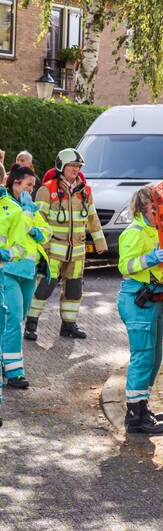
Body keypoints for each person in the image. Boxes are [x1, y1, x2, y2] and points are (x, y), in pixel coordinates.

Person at [26, 148, 107, 341]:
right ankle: (31, 324)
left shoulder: (85, 191)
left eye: (78, 166)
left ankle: (68, 325)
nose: (76, 169)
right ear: (62, 166)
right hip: (53, 250)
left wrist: (100, 242)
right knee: (43, 289)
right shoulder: (47, 189)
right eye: (72, 166)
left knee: (74, 290)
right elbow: (39, 220)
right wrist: (43, 247)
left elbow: (93, 218)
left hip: (77, 252)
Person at [116, 186, 163, 435]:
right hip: (137, 299)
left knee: (154, 357)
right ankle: (134, 416)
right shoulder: (135, 232)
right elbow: (124, 265)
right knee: (142, 356)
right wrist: (149, 259)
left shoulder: (155, 230)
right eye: (154, 209)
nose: (158, 214)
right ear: (143, 208)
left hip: (152, 299)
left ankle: (142, 406)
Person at [1, 166, 50, 390]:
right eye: (29, 185)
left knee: (16, 320)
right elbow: (15, 232)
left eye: (33, 185)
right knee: (13, 320)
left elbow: (46, 230)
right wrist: (29, 218)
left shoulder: (29, 207)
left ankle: (8, 364)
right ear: (16, 183)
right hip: (8, 271)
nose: (32, 189)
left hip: (28, 272)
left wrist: (40, 232)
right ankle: (14, 373)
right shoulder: (6, 206)